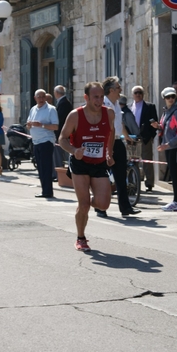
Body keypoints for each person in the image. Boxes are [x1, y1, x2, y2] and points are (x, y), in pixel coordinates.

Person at [59, 82, 115, 251]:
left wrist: (109, 153)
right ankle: (81, 237)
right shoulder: (75, 116)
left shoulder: (109, 113)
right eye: (95, 97)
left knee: (103, 204)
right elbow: (62, 139)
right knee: (83, 205)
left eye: (101, 97)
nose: (99, 101)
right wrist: (74, 150)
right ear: (86, 98)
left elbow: (111, 133)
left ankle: (84, 203)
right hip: (80, 163)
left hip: (99, 163)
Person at [95, 77, 141, 218]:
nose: (121, 89)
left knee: (121, 176)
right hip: (104, 143)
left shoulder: (116, 104)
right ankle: (100, 207)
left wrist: (126, 137)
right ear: (111, 90)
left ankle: (125, 207)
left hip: (117, 141)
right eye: (118, 87)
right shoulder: (102, 104)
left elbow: (119, 125)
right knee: (102, 177)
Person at [151, 87, 177, 212]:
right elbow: (166, 128)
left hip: (175, 147)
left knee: (175, 173)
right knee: (173, 172)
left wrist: (168, 144)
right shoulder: (166, 112)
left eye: (173, 97)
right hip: (169, 147)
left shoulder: (176, 112)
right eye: (168, 97)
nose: (171, 99)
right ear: (164, 98)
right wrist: (158, 126)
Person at [26, 89, 59, 198]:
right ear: (35, 98)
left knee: (46, 167)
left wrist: (42, 125)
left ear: (46, 98)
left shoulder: (51, 109)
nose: (41, 99)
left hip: (46, 141)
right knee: (40, 167)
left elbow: (55, 126)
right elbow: (28, 124)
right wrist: (29, 125)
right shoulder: (33, 109)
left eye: (42, 96)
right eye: (38, 97)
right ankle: (44, 190)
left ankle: (48, 191)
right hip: (36, 141)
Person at [131, 85, 158, 192]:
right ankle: (134, 183)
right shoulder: (129, 107)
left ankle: (149, 183)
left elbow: (154, 121)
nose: (138, 95)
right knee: (133, 161)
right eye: (136, 93)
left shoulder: (150, 106)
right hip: (132, 139)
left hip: (145, 137)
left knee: (147, 161)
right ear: (133, 95)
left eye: (140, 93)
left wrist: (151, 136)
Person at [53, 85, 73, 176]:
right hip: (63, 134)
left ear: (56, 93)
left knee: (60, 155)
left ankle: (61, 174)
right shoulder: (63, 102)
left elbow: (60, 120)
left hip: (62, 134)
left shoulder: (64, 103)